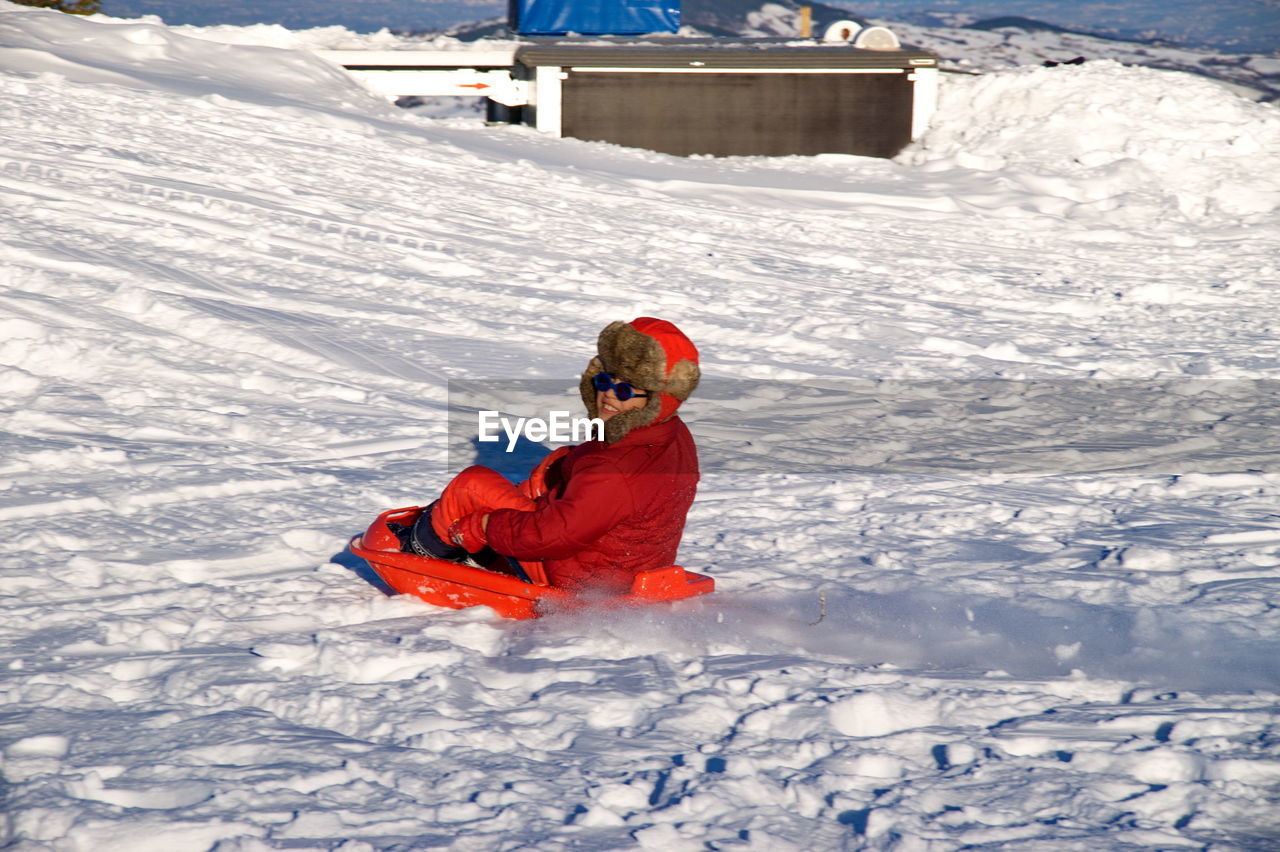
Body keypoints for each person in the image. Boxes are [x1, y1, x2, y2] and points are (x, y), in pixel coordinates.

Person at [400, 317, 701, 593]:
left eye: (625, 391)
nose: (609, 394)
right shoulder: (670, 434)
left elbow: (554, 536)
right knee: (554, 465)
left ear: (656, 400)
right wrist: (565, 466)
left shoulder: (614, 469)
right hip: (629, 564)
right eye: (606, 381)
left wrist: (484, 527)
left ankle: (419, 554)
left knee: (471, 485)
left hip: (578, 577)